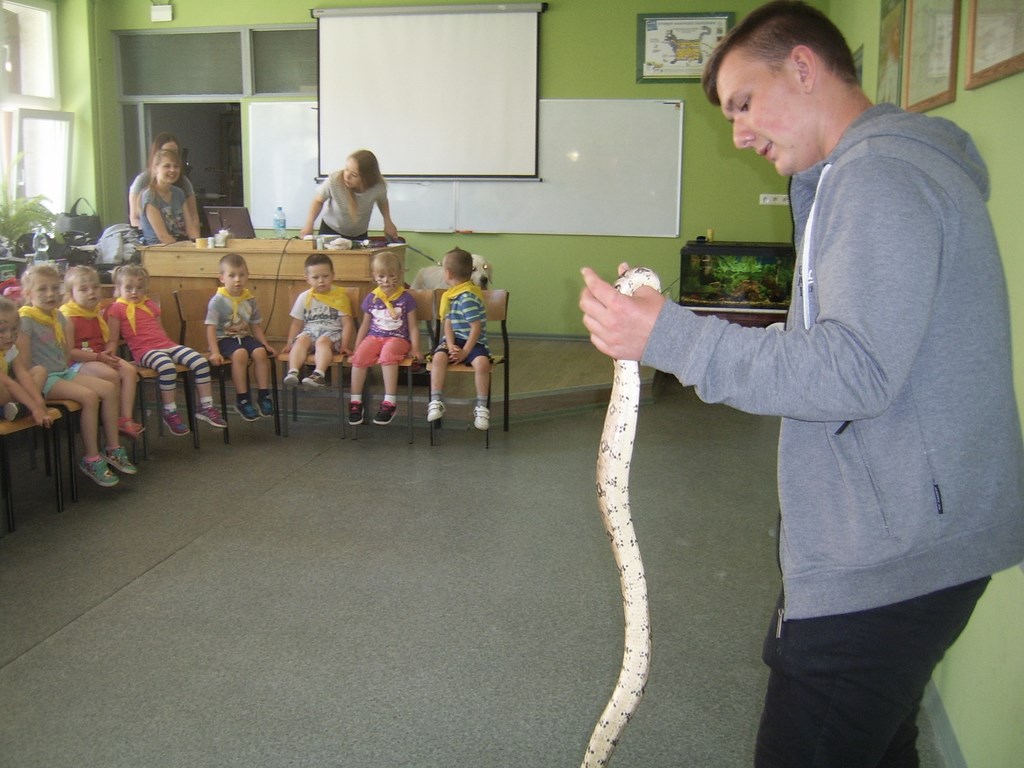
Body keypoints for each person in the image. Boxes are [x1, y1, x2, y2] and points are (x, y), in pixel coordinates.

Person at [578, 2, 1024, 766]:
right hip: (908, 537)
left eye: (743, 103)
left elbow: (856, 369)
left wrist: (670, 337)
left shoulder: (878, 176)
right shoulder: (872, 173)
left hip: (887, 559)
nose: (738, 134)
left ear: (805, 67)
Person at [17, 265, 137, 487]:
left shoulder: (58, 317)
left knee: (110, 388)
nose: (50, 294)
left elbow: (64, 353)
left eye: (55, 288)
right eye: (42, 289)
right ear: (28, 294)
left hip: (62, 372)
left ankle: (113, 448)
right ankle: (91, 458)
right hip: (43, 379)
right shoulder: (26, 320)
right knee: (89, 397)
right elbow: (23, 364)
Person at [106, 264, 227, 436]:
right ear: (118, 289)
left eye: (139, 288)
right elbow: (112, 339)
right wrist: (109, 352)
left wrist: (170, 347)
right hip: (144, 351)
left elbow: (159, 330)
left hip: (166, 345)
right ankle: (170, 411)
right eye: (129, 288)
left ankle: (206, 407)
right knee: (167, 367)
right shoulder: (116, 309)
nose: (134, 292)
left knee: (200, 362)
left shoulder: (149, 304)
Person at [60, 265, 145, 439]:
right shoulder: (68, 317)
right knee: (110, 374)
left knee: (129, 371)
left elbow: (109, 340)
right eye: (83, 289)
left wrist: (109, 350)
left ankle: (124, 419)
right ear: (71, 294)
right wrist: (99, 357)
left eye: (95, 287)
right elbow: (69, 352)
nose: (91, 292)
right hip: (78, 363)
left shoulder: (97, 313)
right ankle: (111, 421)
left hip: (99, 357)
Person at [348, 250, 421, 426]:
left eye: (391, 276)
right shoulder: (372, 298)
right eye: (381, 276)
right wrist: (357, 347)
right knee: (360, 357)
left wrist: (416, 348)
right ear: (374, 276)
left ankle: (389, 402)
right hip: (374, 337)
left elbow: (413, 326)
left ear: (400, 274)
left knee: (388, 354)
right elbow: (365, 325)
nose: (386, 281)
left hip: (398, 338)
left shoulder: (406, 299)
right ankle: (355, 401)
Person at [204, 253, 276, 421]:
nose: (237, 280)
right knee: (240, 354)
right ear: (222, 278)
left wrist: (265, 344)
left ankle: (264, 396)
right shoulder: (218, 301)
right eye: (232, 275)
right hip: (223, 339)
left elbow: (255, 325)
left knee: (260, 352)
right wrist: (215, 352)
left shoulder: (249, 299)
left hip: (244, 336)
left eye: (242, 275)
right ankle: (243, 399)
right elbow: (210, 328)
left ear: (247, 276)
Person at [426, 247, 491, 431]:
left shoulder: (468, 297)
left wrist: (465, 351)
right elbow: (447, 323)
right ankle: (436, 400)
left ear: (448, 273)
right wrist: (450, 345)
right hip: (455, 341)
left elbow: (476, 328)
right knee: (438, 357)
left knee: (482, 364)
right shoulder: (451, 295)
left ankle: (481, 407)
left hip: (473, 342)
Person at [281, 253, 355, 390]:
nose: (321, 281)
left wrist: (344, 345)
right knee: (301, 341)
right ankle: (293, 372)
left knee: (322, 342)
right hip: (310, 331)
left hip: (332, 334)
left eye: (325, 276)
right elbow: (296, 323)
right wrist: (290, 342)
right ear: (307, 279)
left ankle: (319, 374)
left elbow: (347, 323)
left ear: (333, 275)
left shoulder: (340, 297)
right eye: (315, 277)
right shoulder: (304, 297)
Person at [299, 149, 399, 242]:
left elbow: (383, 201)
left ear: (367, 178)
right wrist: (309, 224)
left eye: (354, 175)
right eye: (346, 169)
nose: (347, 176)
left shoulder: (377, 187)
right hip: (331, 231)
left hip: (359, 234)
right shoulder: (334, 181)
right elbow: (318, 201)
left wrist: (388, 222)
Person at [128, 131, 200, 238]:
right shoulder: (146, 189)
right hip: (158, 243)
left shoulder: (180, 190)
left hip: (180, 240)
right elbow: (135, 218)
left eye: (175, 152)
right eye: (167, 166)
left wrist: (195, 243)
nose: (172, 170)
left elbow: (193, 219)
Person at [0, 296, 52, 427]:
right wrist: (35, 408)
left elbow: (23, 374)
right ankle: (23, 407)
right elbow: (8, 384)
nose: (9, 336)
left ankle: (18, 408)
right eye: (2, 330)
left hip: (9, 394)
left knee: (40, 371)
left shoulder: (10, 348)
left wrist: (39, 402)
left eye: (14, 329)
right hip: (4, 390)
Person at [138, 148, 192, 245]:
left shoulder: (179, 193)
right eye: (167, 166)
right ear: (155, 168)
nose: (172, 170)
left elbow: (190, 228)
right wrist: (186, 249)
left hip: (180, 245)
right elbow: (162, 236)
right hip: (158, 248)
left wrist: (197, 245)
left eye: (176, 166)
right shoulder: (149, 196)